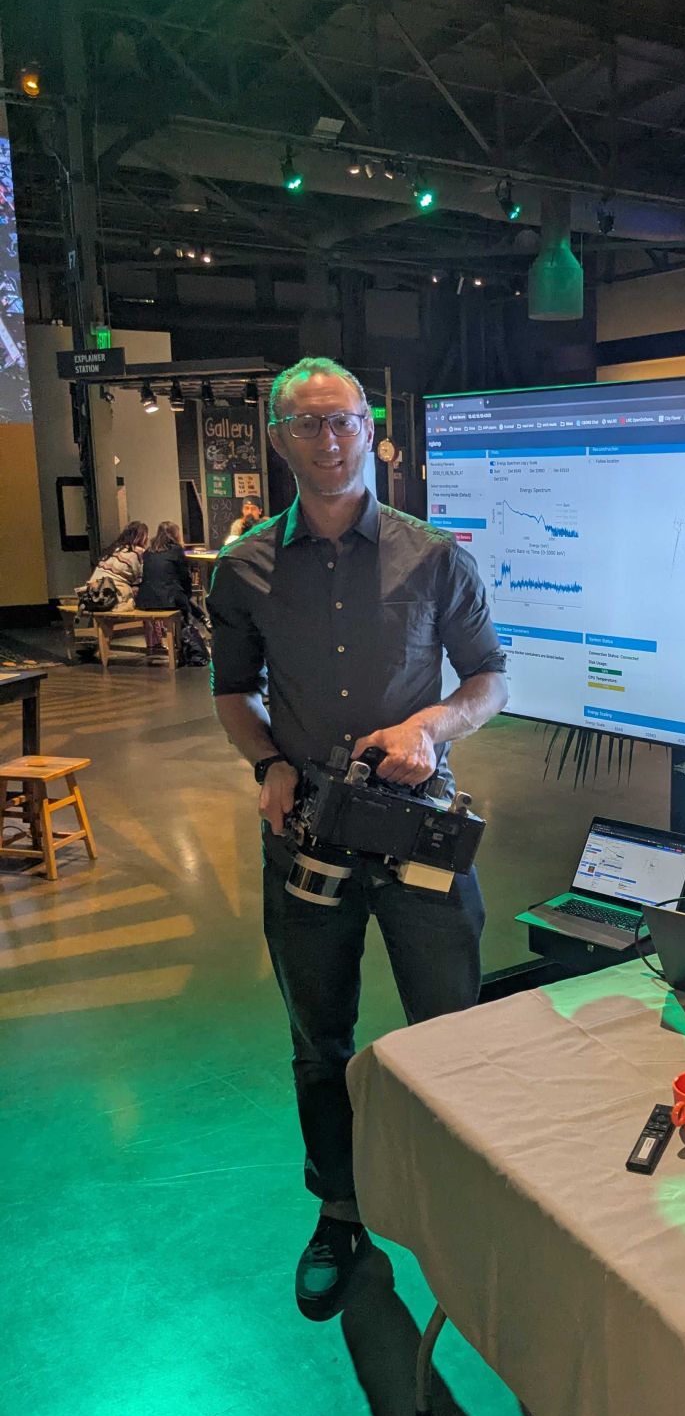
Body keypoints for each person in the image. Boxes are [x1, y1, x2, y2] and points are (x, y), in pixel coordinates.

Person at [207, 355, 508, 1322]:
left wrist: (431, 728)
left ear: (371, 428)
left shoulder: (436, 557)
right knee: (318, 1039)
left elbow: (488, 682)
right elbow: (231, 694)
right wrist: (269, 763)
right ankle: (340, 1208)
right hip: (306, 836)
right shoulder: (245, 567)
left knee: (453, 1029)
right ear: (280, 437)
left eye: (341, 421)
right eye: (306, 424)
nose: (327, 440)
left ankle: (464, 1203)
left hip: (420, 832)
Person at [81, 521, 149, 611]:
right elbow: (141, 578)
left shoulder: (113, 548)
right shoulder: (138, 552)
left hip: (91, 593)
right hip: (110, 594)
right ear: (142, 537)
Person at [136, 521, 196, 621]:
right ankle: (185, 632)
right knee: (185, 604)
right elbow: (185, 577)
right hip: (169, 600)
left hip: (146, 600)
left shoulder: (148, 552)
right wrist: (187, 595)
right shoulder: (176, 550)